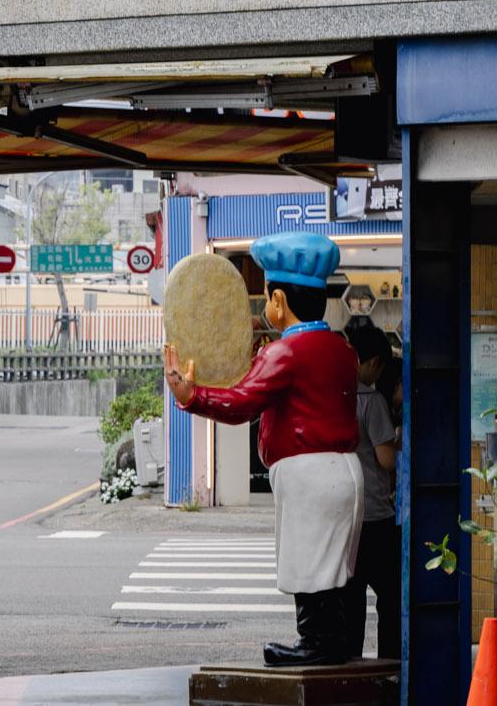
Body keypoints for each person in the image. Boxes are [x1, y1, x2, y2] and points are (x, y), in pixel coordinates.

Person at [165, 231, 363, 667]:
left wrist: (191, 396)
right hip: (346, 469)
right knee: (331, 562)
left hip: (308, 471)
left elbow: (243, 403)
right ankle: (331, 639)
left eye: (267, 299)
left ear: (278, 299)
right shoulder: (340, 348)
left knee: (308, 558)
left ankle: (316, 642)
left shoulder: (287, 351)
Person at [341, 320, 401, 659]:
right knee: (390, 598)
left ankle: (350, 665)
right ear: (375, 361)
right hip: (375, 515)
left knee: (350, 599)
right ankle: (388, 663)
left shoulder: (336, 396)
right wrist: (398, 439)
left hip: (345, 515)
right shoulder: (371, 400)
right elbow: (386, 460)